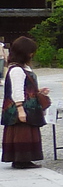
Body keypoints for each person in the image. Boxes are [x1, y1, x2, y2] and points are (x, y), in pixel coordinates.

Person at [2, 36, 46, 170]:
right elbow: (17, 90)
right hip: (22, 107)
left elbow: (24, 87)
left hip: (27, 105)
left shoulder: (21, 68)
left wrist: (38, 91)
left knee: (24, 132)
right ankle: (21, 160)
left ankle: (23, 159)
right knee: (23, 132)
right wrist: (20, 109)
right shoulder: (17, 70)